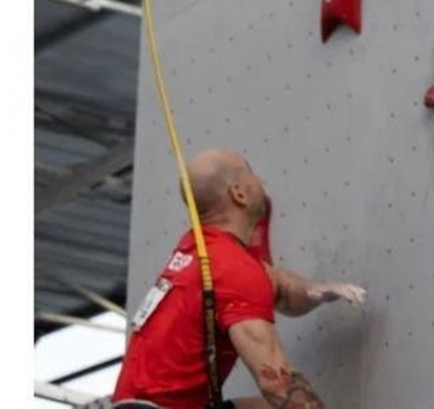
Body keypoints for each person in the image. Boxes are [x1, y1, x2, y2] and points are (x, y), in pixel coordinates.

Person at [112, 149, 366, 409]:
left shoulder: (200, 251)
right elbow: (278, 384)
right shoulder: (231, 269)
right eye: (251, 172)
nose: (261, 180)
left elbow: (275, 285)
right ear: (239, 194)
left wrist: (317, 291)